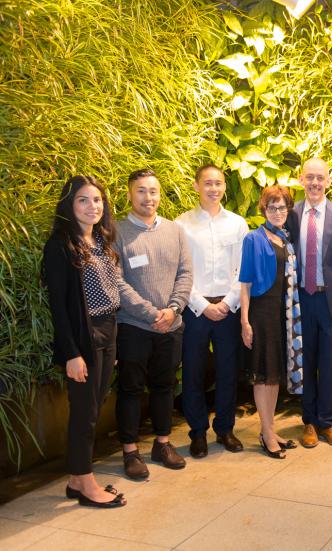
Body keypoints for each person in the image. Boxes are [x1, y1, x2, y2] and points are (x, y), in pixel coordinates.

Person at [43, 175, 160, 508]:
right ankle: (87, 483)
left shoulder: (100, 239)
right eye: (83, 200)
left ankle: (77, 479)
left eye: (97, 200)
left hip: (108, 330)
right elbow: (59, 307)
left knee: (91, 408)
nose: (91, 206)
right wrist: (71, 353)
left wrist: (114, 341)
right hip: (84, 336)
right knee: (86, 413)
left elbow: (111, 292)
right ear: (69, 204)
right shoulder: (61, 245)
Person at [113, 169, 193, 479]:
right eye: (142, 191)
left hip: (171, 326)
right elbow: (117, 282)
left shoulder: (175, 231)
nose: (149, 197)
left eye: (154, 191)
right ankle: (130, 451)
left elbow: (185, 274)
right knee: (131, 389)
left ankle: (162, 444)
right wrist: (151, 313)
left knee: (165, 386)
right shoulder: (116, 233)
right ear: (130, 194)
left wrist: (172, 310)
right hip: (134, 326)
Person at [175, 164, 248, 457]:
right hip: (195, 307)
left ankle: (225, 429)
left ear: (224, 187)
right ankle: (198, 432)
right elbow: (181, 270)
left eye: (218, 183)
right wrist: (203, 305)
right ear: (196, 187)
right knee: (193, 371)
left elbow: (243, 269)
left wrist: (228, 303)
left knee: (228, 371)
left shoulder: (238, 224)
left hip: (228, 306)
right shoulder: (181, 224)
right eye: (208, 183)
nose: (214, 188)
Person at [290, 159, 332, 449]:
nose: (315, 183)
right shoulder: (291, 215)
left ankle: (328, 422)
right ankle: (309, 423)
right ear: (301, 179)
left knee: (329, 363)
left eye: (320, 178)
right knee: (306, 362)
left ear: (328, 181)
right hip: (301, 300)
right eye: (310, 177)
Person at [239, 185, 303, 458]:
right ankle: (266, 434)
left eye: (282, 207)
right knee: (263, 376)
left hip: (283, 313)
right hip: (261, 313)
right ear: (263, 209)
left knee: (275, 376)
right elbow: (245, 283)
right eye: (272, 207)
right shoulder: (253, 239)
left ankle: (271, 428)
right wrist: (244, 321)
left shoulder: (286, 240)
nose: (278, 212)